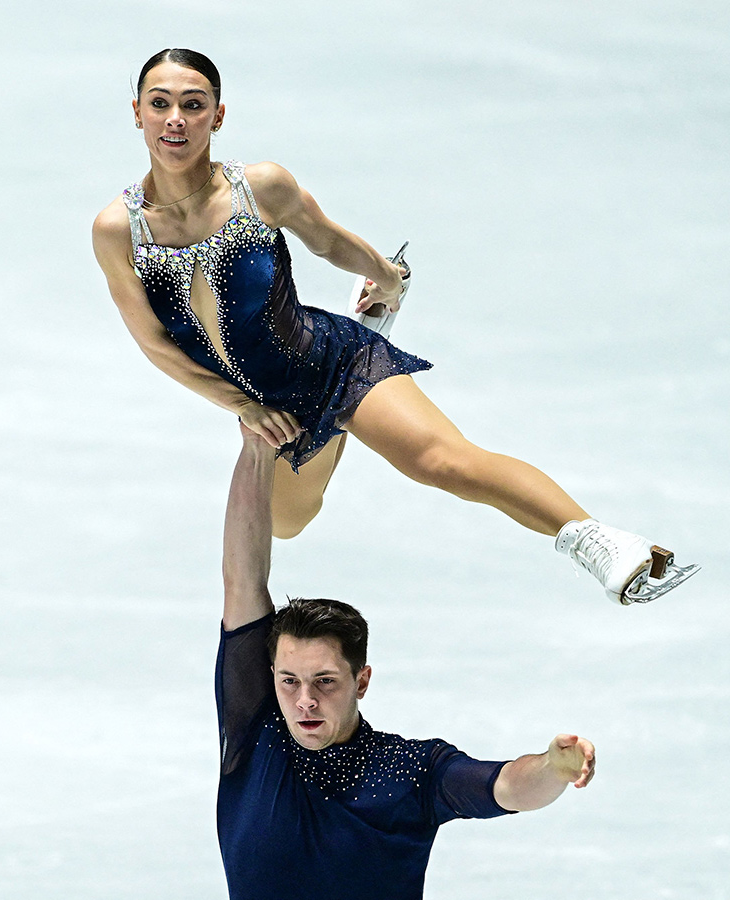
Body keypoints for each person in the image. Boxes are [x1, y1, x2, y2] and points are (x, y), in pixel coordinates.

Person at [91, 48, 698, 605]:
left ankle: (597, 540)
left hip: (332, 362)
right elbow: (154, 341)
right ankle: (358, 359)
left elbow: (326, 239)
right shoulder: (119, 228)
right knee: (288, 522)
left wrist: (384, 273)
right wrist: (238, 405)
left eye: (193, 105)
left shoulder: (259, 186)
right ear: (137, 113)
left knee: (441, 462)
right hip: (272, 409)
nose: (176, 119)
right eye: (161, 103)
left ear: (217, 116)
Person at [216, 423, 596, 900]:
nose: (305, 700)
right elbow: (242, 581)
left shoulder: (407, 771)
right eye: (289, 681)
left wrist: (551, 768)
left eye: (325, 682)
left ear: (362, 680)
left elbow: (504, 787)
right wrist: (255, 445)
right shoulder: (256, 730)